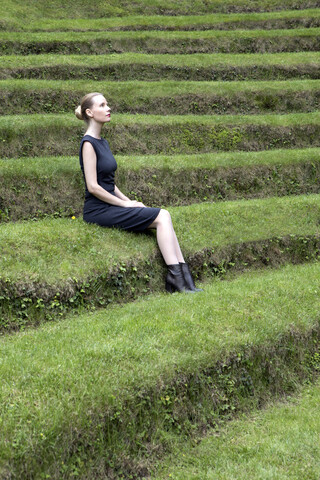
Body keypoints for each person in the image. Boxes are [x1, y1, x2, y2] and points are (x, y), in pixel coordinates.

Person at [75, 92, 202, 293]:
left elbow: (108, 183)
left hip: (110, 204)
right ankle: (176, 279)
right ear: (90, 112)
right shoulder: (88, 143)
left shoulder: (103, 142)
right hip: (97, 210)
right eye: (103, 105)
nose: (108, 108)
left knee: (164, 218)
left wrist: (130, 200)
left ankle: (186, 281)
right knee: (163, 215)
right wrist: (125, 205)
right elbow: (93, 186)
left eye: (108, 104)